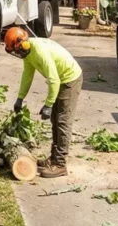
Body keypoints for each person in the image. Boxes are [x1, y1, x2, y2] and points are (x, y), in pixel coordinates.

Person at [5, 26, 83, 178]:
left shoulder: (39, 51)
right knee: (55, 119)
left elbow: (53, 79)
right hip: (60, 80)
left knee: (63, 121)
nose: (18, 54)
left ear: (23, 44)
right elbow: (27, 76)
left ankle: (60, 164)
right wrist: (20, 98)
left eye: (18, 50)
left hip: (70, 80)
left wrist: (48, 105)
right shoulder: (28, 55)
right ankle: (54, 158)